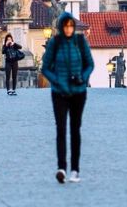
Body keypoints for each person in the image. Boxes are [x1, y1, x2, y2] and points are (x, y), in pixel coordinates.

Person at [40, 12, 93, 184]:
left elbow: (89, 64)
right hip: (59, 93)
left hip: (78, 92)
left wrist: (83, 78)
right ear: (61, 27)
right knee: (61, 129)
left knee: (75, 129)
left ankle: (75, 170)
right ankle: (61, 167)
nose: (69, 29)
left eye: (71, 26)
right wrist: (56, 81)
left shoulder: (80, 41)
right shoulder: (55, 43)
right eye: (66, 26)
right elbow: (45, 68)